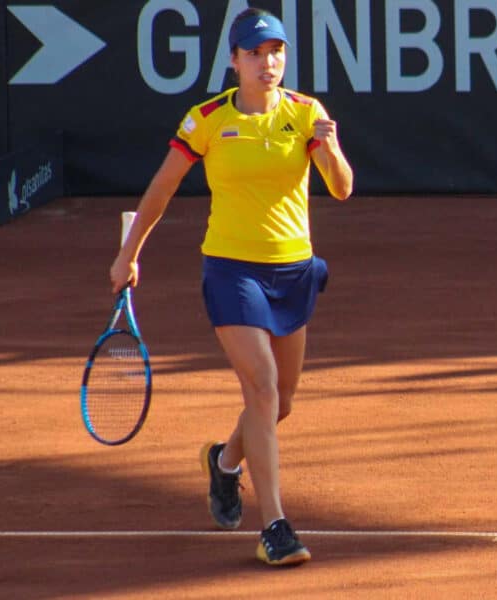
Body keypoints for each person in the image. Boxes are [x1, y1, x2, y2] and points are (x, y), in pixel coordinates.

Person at [109, 7, 353, 567]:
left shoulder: (306, 113)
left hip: (293, 271)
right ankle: (275, 526)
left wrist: (331, 147)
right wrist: (129, 253)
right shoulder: (208, 120)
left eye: (276, 53)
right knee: (263, 387)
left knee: (281, 401)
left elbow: (341, 189)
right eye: (256, 54)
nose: (268, 64)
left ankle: (223, 462)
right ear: (234, 61)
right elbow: (163, 188)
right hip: (232, 271)